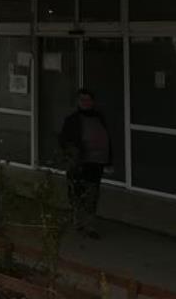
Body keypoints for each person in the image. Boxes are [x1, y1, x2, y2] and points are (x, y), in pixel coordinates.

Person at [60, 88, 111, 239]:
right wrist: (72, 156)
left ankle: (90, 225)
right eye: (82, 100)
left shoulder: (99, 117)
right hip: (79, 163)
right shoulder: (72, 120)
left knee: (92, 193)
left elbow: (107, 139)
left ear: (93, 102)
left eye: (88, 100)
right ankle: (78, 221)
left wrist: (109, 160)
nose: (86, 103)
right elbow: (64, 141)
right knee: (77, 193)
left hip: (97, 162)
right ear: (78, 102)